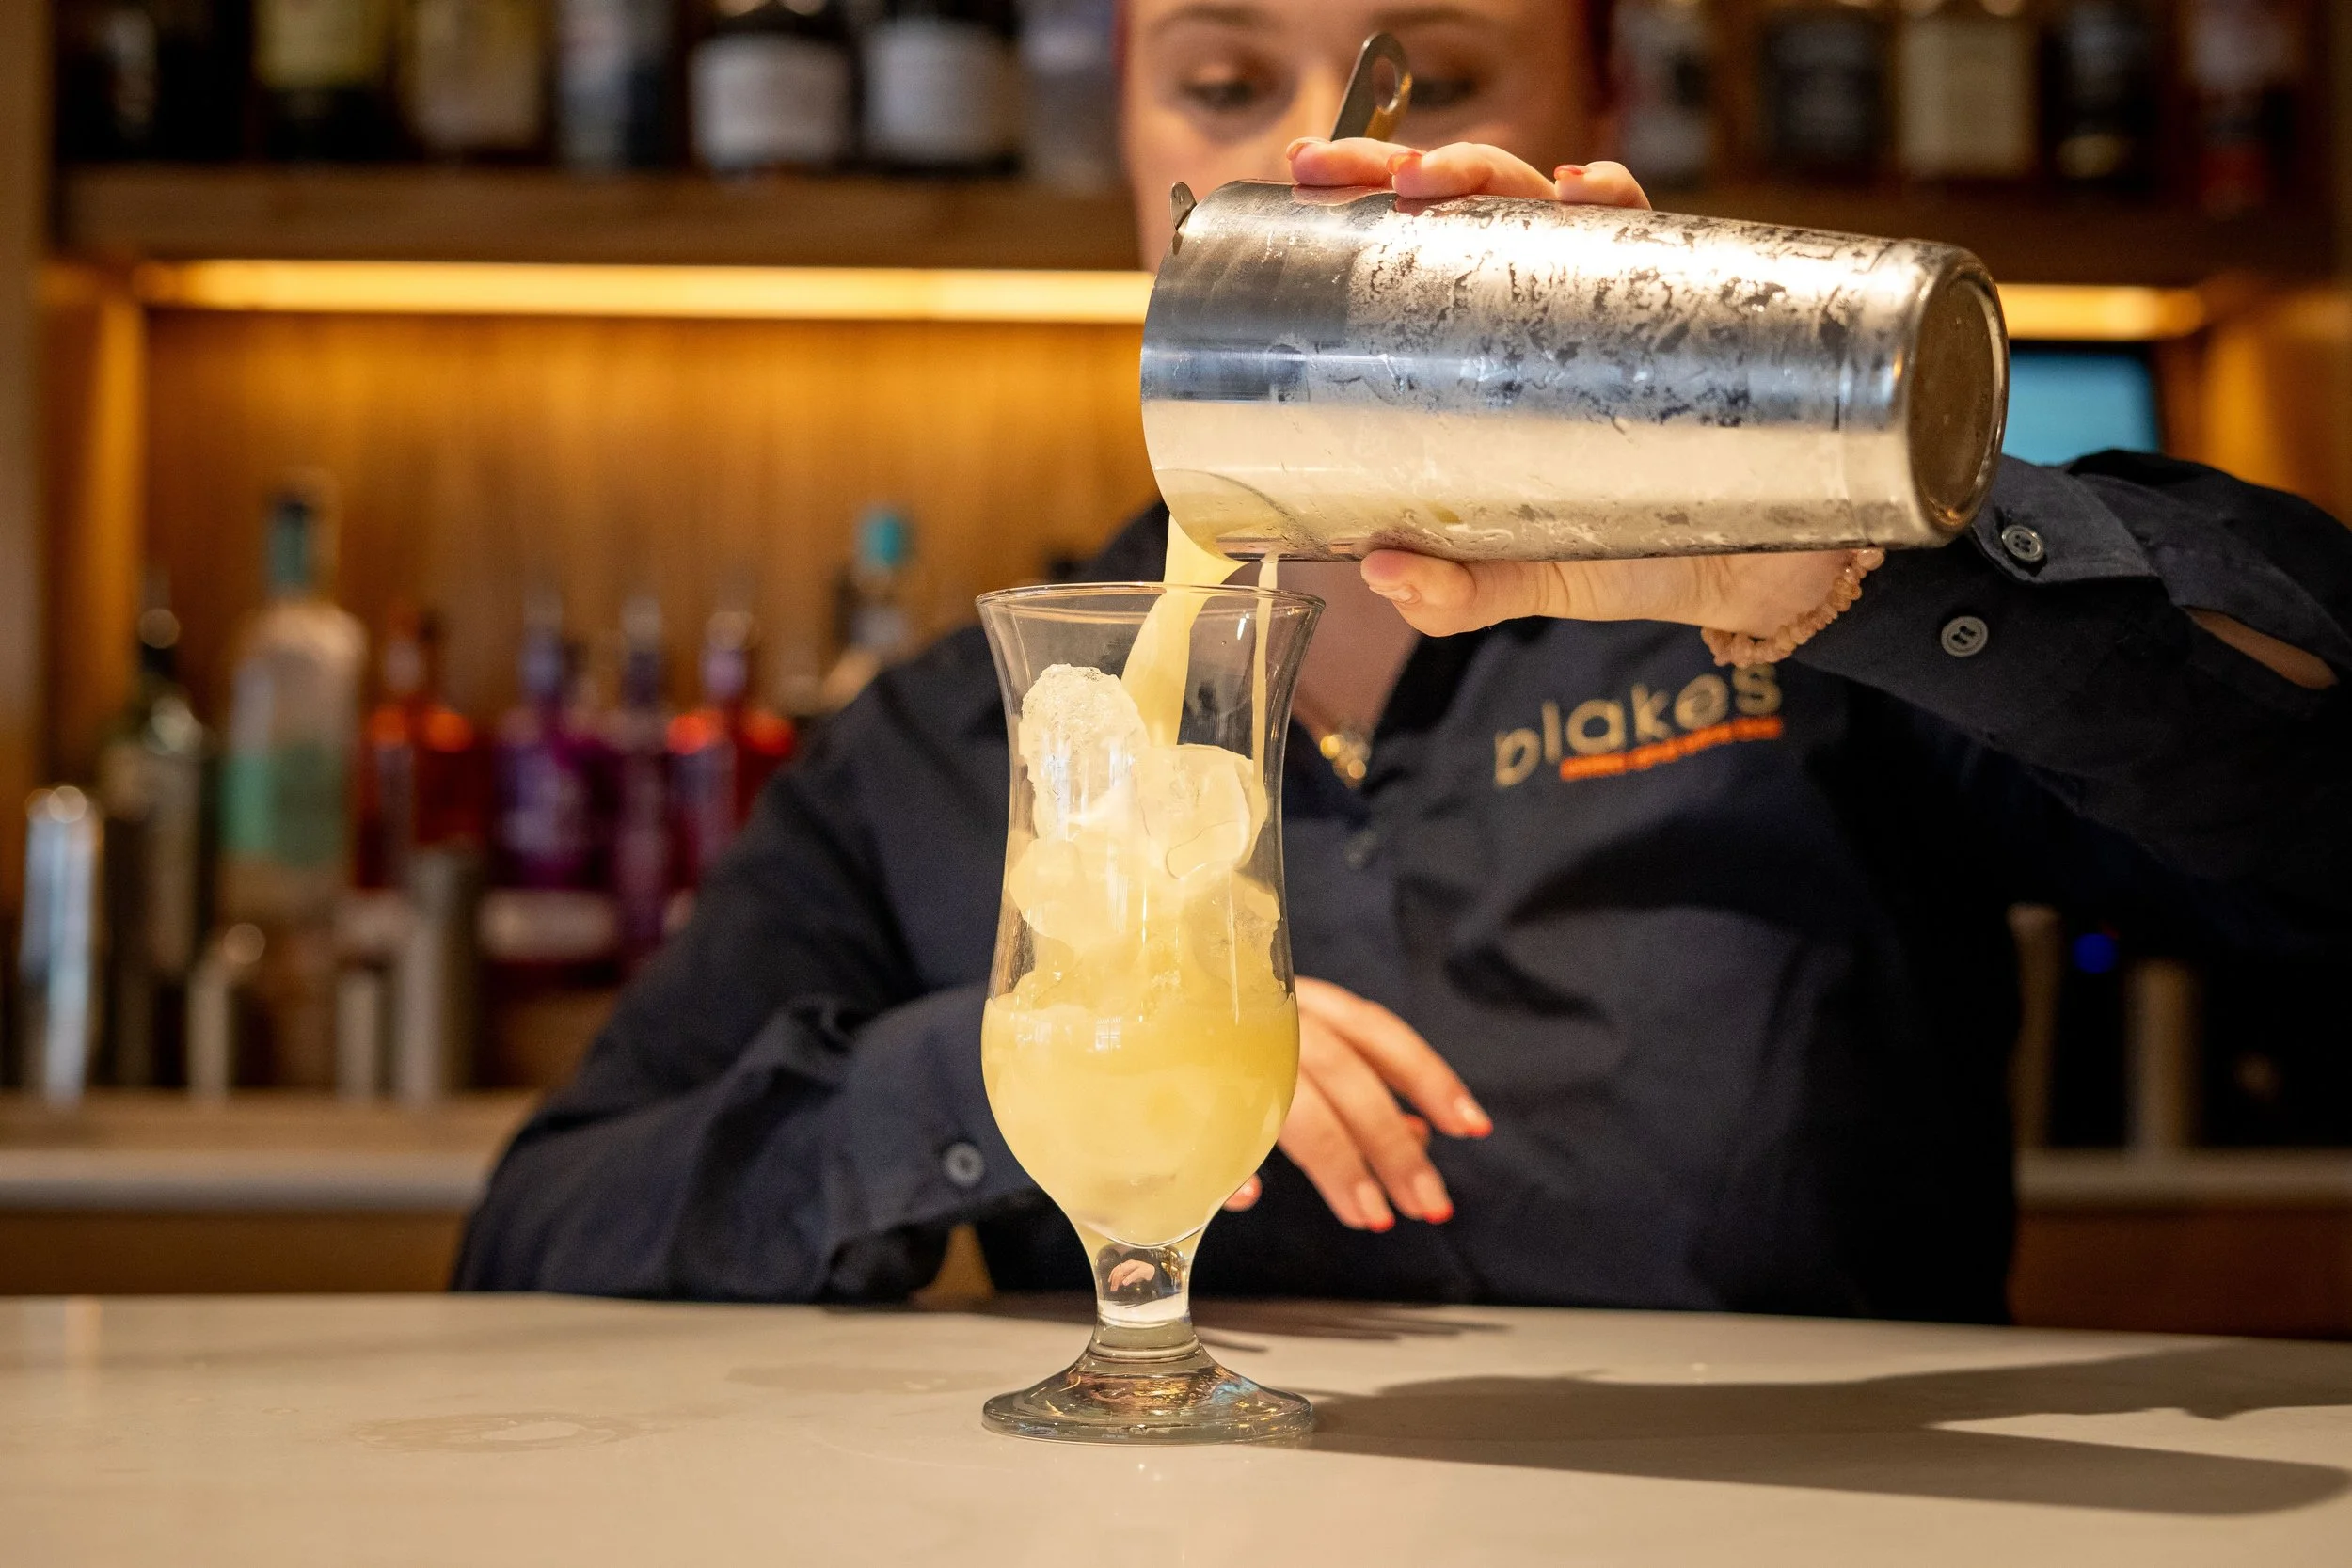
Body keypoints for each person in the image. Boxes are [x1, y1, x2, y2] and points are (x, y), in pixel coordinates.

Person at [456, 0, 2352, 1321]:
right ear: (1131, 142)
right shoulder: (963, 733)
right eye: (1214, 83)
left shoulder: (1818, 626)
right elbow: (538, 1230)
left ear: (1593, 99)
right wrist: (988, 1072)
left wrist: (1865, 544)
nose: (1310, 160)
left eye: (1427, 67)